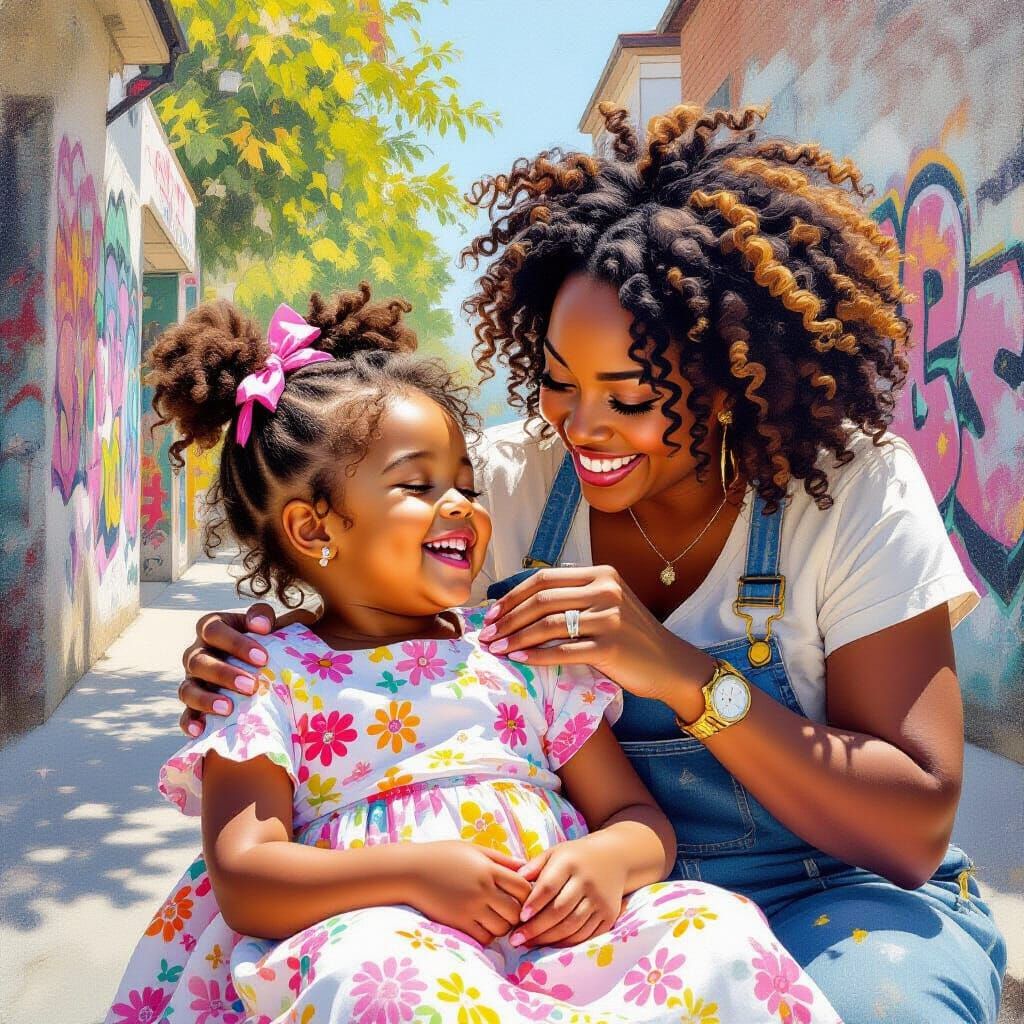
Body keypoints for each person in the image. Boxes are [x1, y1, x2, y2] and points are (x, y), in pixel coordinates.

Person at [176, 105, 1008, 1024]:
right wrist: (261, 650)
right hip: (564, 925)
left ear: (735, 379)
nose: (582, 427)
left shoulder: (848, 494)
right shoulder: (501, 481)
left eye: (630, 395)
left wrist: (677, 673)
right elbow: (356, 550)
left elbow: (911, 829)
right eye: (559, 381)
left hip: (828, 891)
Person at [106, 287, 840, 1024]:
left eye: (463, 482)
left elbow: (635, 818)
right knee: (386, 980)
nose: (460, 503)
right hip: (377, 939)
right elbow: (245, 876)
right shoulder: (266, 675)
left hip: (553, 946)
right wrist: (414, 876)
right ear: (310, 527)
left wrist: (608, 859)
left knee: (714, 931)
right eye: (417, 486)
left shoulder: (519, 647)